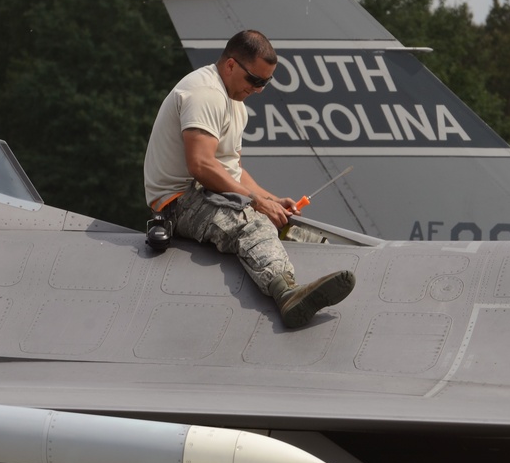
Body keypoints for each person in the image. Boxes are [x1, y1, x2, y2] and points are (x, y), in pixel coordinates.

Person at [144, 29, 355, 328]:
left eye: (265, 83)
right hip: (180, 201)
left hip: (211, 191)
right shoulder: (204, 93)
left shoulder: (236, 104)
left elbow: (233, 170)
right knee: (249, 222)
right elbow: (201, 165)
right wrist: (256, 204)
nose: (258, 90)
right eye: (254, 80)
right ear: (231, 65)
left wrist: (270, 200)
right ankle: (288, 295)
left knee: (284, 221)